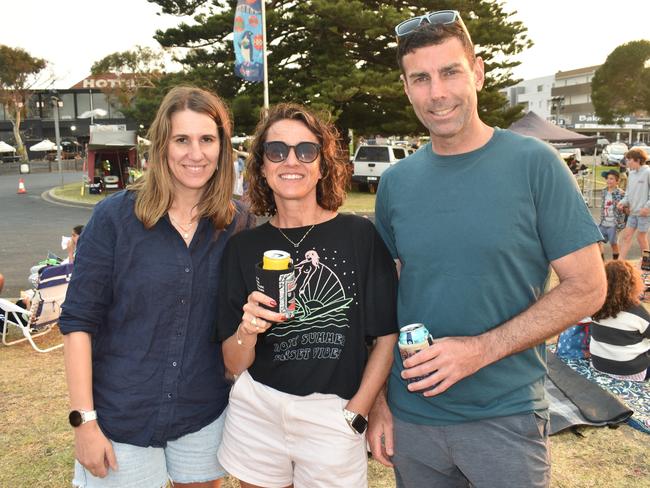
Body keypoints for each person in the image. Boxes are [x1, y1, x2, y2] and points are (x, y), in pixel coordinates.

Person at [369, 10, 606, 488]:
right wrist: (378, 402)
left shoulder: (535, 164)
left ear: (476, 71)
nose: (437, 92)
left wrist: (479, 350)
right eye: (421, 78)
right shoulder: (395, 183)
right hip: (414, 419)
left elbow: (588, 288)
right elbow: (383, 302)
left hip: (506, 419)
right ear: (406, 87)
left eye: (450, 72)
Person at [59, 86, 254, 488]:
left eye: (207, 139)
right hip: (121, 416)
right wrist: (84, 422)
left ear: (223, 147)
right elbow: (78, 322)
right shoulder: (113, 218)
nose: (194, 154)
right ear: (163, 145)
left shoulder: (238, 224)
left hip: (202, 415)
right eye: (182, 140)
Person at [215, 103, 398, 488]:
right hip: (258, 412)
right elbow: (233, 361)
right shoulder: (242, 248)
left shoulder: (359, 236)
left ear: (322, 163)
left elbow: (386, 335)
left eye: (306, 150)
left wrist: (358, 410)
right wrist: (248, 328)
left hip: (333, 413)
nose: (290, 161)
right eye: (276, 151)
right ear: (262, 166)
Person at [591, 260, 650, 381]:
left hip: (599, 365)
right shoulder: (637, 312)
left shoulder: (594, 305)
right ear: (633, 283)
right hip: (631, 371)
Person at [617, 147, 650, 260]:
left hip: (644, 214)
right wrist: (622, 202)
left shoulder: (648, 172)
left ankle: (647, 264)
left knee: (641, 238)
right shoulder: (631, 174)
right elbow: (628, 193)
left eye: (629, 159)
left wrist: (647, 207)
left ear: (637, 159)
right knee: (627, 237)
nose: (627, 162)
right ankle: (620, 263)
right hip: (632, 213)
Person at [598, 170, 626, 260]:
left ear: (617, 181)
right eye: (607, 178)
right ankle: (602, 262)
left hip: (614, 224)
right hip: (603, 223)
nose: (608, 181)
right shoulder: (604, 191)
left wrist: (622, 208)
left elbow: (626, 208)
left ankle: (615, 262)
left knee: (613, 244)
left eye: (611, 179)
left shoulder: (621, 193)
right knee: (597, 241)